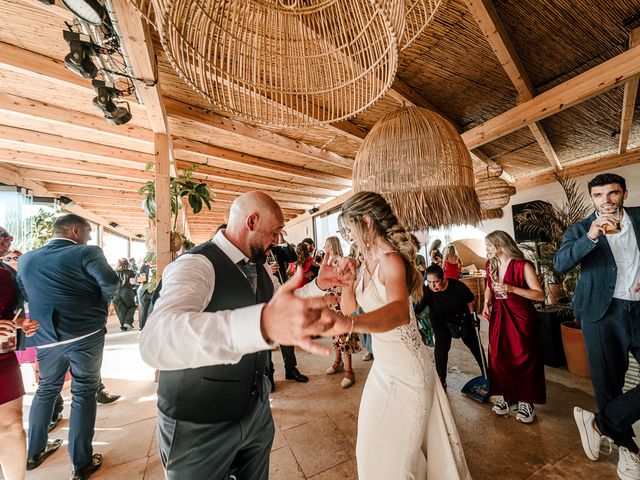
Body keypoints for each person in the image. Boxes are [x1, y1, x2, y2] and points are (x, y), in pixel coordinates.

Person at [139, 191, 343, 480]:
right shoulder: (195, 265)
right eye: (274, 232)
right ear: (251, 221)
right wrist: (261, 325)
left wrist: (319, 285)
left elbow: (277, 305)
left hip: (256, 411)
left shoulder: (260, 265)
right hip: (199, 424)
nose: (278, 241)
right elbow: (156, 339)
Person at [324, 191, 471, 479]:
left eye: (349, 227)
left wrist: (350, 325)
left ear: (366, 221)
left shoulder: (391, 260)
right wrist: (348, 284)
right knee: (368, 448)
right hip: (383, 369)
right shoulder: (364, 261)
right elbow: (351, 308)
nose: (348, 235)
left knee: (399, 461)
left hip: (408, 371)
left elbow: (397, 313)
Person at [18, 214, 118, 480]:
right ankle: (81, 462)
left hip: (45, 338)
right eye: (86, 232)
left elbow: (24, 293)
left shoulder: (26, 258)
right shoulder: (87, 252)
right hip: (85, 334)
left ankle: (34, 453)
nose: (88, 237)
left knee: (46, 389)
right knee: (84, 392)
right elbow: (110, 282)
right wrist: (99, 305)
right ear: (75, 230)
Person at [554, 172, 640, 478]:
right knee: (608, 385)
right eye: (599, 195)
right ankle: (628, 452)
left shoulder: (639, 219)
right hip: (600, 313)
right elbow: (560, 263)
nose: (606, 201)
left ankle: (598, 424)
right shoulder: (580, 229)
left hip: (638, 310)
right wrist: (590, 236)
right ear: (592, 199)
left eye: (613, 193)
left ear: (624, 193)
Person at [483, 230, 546, 424]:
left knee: (523, 357)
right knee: (498, 357)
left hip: (521, 316)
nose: (487, 250)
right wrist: (486, 302)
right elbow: (489, 287)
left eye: (489, 246)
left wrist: (512, 289)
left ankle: (527, 402)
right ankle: (507, 397)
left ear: (501, 245)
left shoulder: (523, 265)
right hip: (499, 314)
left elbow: (540, 295)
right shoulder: (490, 265)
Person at [0, 226, 39, 480]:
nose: (9, 240)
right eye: (3, 236)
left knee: (12, 426)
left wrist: (20, 324)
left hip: (2, 356)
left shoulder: (5, 274)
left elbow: (8, 314)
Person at [415, 264, 483, 389]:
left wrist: (474, 316)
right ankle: (441, 379)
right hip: (440, 321)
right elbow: (417, 309)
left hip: (461, 318)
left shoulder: (457, 286)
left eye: (435, 282)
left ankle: (487, 374)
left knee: (474, 345)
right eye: (429, 282)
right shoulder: (427, 291)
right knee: (441, 348)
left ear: (443, 278)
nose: (432, 286)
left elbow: (470, 300)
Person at [265, 232, 309, 390]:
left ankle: (291, 369)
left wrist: (282, 241)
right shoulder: (254, 253)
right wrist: (268, 269)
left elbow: (291, 257)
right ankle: (268, 375)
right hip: (265, 299)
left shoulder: (277, 250)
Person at [323, 236, 361, 388]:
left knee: (345, 335)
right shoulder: (329, 261)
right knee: (335, 334)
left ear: (331, 246)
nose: (325, 248)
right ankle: (337, 362)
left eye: (327, 245)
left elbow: (347, 281)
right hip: (331, 301)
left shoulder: (341, 260)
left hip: (341, 302)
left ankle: (349, 371)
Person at [113, 258, 137, 331]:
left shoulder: (114, 272)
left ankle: (124, 326)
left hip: (116, 292)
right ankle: (127, 322)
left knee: (121, 310)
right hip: (127, 291)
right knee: (132, 306)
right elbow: (132, 283)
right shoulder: (130, 272)